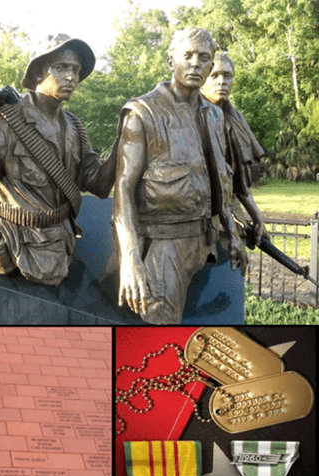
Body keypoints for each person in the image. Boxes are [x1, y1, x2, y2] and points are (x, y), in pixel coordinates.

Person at [0, 34, 116, 286]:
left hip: (60, 237)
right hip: (17, 240)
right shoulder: (5, 123)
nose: (71, 77)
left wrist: (125, 138)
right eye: (61, 68)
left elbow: (98, 185)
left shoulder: (74, 126)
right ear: (38, 74)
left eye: (75, 70)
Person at [112, 27, 247, 324]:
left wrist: (233, 233)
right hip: (164, 244)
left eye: (204, 58)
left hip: (206, 240)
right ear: (171, 60)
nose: (196, 64)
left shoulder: (214, 115)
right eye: (187, 56)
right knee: (160, 321)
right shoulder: (143, 112)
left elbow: (219, 178)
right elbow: (123, 187)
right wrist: (131, 258)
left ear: (211, 65)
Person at [200, 51, 266, 247]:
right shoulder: (190, 116)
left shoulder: (234, 118)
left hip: (228, 208)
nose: (222, 82)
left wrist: (257, 216)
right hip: (199, 213)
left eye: (227, 76)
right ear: (202, 80)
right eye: (214, 75)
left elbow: (239, 180)